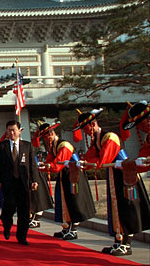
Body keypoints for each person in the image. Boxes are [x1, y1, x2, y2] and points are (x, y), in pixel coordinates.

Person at [75, 108, 150, 256]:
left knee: (126, 208)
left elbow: (104, 160)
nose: (140, 128)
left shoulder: (109, 137)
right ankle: (119, 240)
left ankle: (126, 244)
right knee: (116, 209)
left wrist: (90, 163)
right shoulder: (97, 139)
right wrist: (84, 163)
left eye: (141, 124)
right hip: (115, 175)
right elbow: (92, 158)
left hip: (126, 177)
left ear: (93, 124)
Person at [33, 122, 95, 239]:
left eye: (46, 135)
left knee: (74, 200)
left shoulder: (64, 145)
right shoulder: (54, 146)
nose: (46, 139)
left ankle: (74, 229)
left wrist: (48, 166)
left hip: (73, 175)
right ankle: (66, 227)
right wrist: (44, 165)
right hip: (64, 175)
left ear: (51, 133)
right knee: (64, 201)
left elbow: (57, 164)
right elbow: (50, 161)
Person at [0, 120, 38, 245]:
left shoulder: (27, 146)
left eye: (14, 130)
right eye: (9, 130)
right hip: (8, 183)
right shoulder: (2, 147)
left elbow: (32, 165)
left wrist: (34, 180)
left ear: (19, 131)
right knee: (9, 208)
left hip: (23, 183)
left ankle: (22, 236)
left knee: (24, 211)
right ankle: (7, 226)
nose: (11, 132)